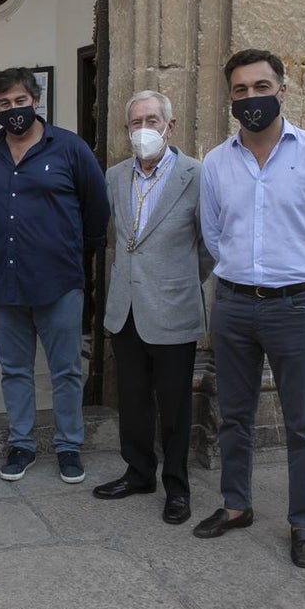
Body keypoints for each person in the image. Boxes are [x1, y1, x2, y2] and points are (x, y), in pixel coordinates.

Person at [195, 49, 305, 568]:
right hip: (234, 305)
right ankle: (236, 505)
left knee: (302, 421)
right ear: (230, 98)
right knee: (234, 414)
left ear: (282, 91)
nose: (251, 98)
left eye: (261, 87)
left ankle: (303, 522)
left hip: (296, 306)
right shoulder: (217, 162)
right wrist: (244, 273)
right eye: (240, 90)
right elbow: (214, 234)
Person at [0, 67, 109, 484]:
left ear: (36, 101)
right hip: (6, 280)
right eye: (4, 103)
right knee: (14, 369)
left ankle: (69, 445)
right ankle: (22, 443)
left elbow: (97, 208)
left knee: (65, 369)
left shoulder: (70, 147)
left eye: (20, 101)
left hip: (58, 282)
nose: (13, 109)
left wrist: (73, 253)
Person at [93, 90, 212, 525]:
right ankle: (139, 471)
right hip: (126, 308)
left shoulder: (196, 175)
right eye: (135, 122)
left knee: (175, 404)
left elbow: (209, 245)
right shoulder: (115, 176)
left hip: (173, 307)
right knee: (132, 399)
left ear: (169, 126)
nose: (143, 129)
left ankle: (177, 486)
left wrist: (177, 281)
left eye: (151, 121)